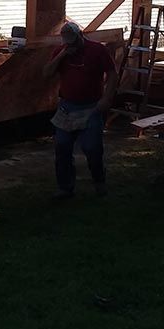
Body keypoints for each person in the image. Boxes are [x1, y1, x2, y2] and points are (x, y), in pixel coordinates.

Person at [42, 21, 116, 199]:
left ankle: (99, 181)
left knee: (92, 147)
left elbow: (113, 74)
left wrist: (106, 98)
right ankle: (65, 188)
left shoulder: (97, 50)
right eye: (67, 43)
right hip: (67, 107)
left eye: (74, 42)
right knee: (62, 146)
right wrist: (62, 55)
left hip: (91, 107)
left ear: (81, 36)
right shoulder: (62, 52)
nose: (71, 46)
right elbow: (46, 73)